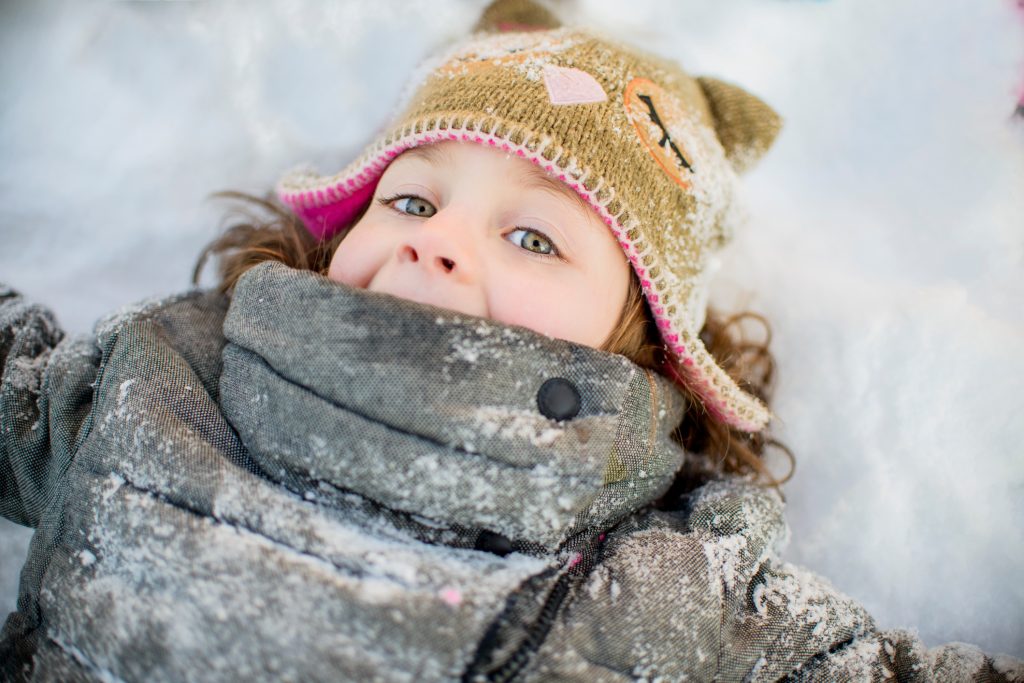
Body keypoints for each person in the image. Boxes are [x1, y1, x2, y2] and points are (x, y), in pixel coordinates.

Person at [1, 0, 1020, 680]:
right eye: (411, 195)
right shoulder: (158, 381)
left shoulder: (657, 588)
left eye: (533, 236)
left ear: (640, 343)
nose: (437, 241)